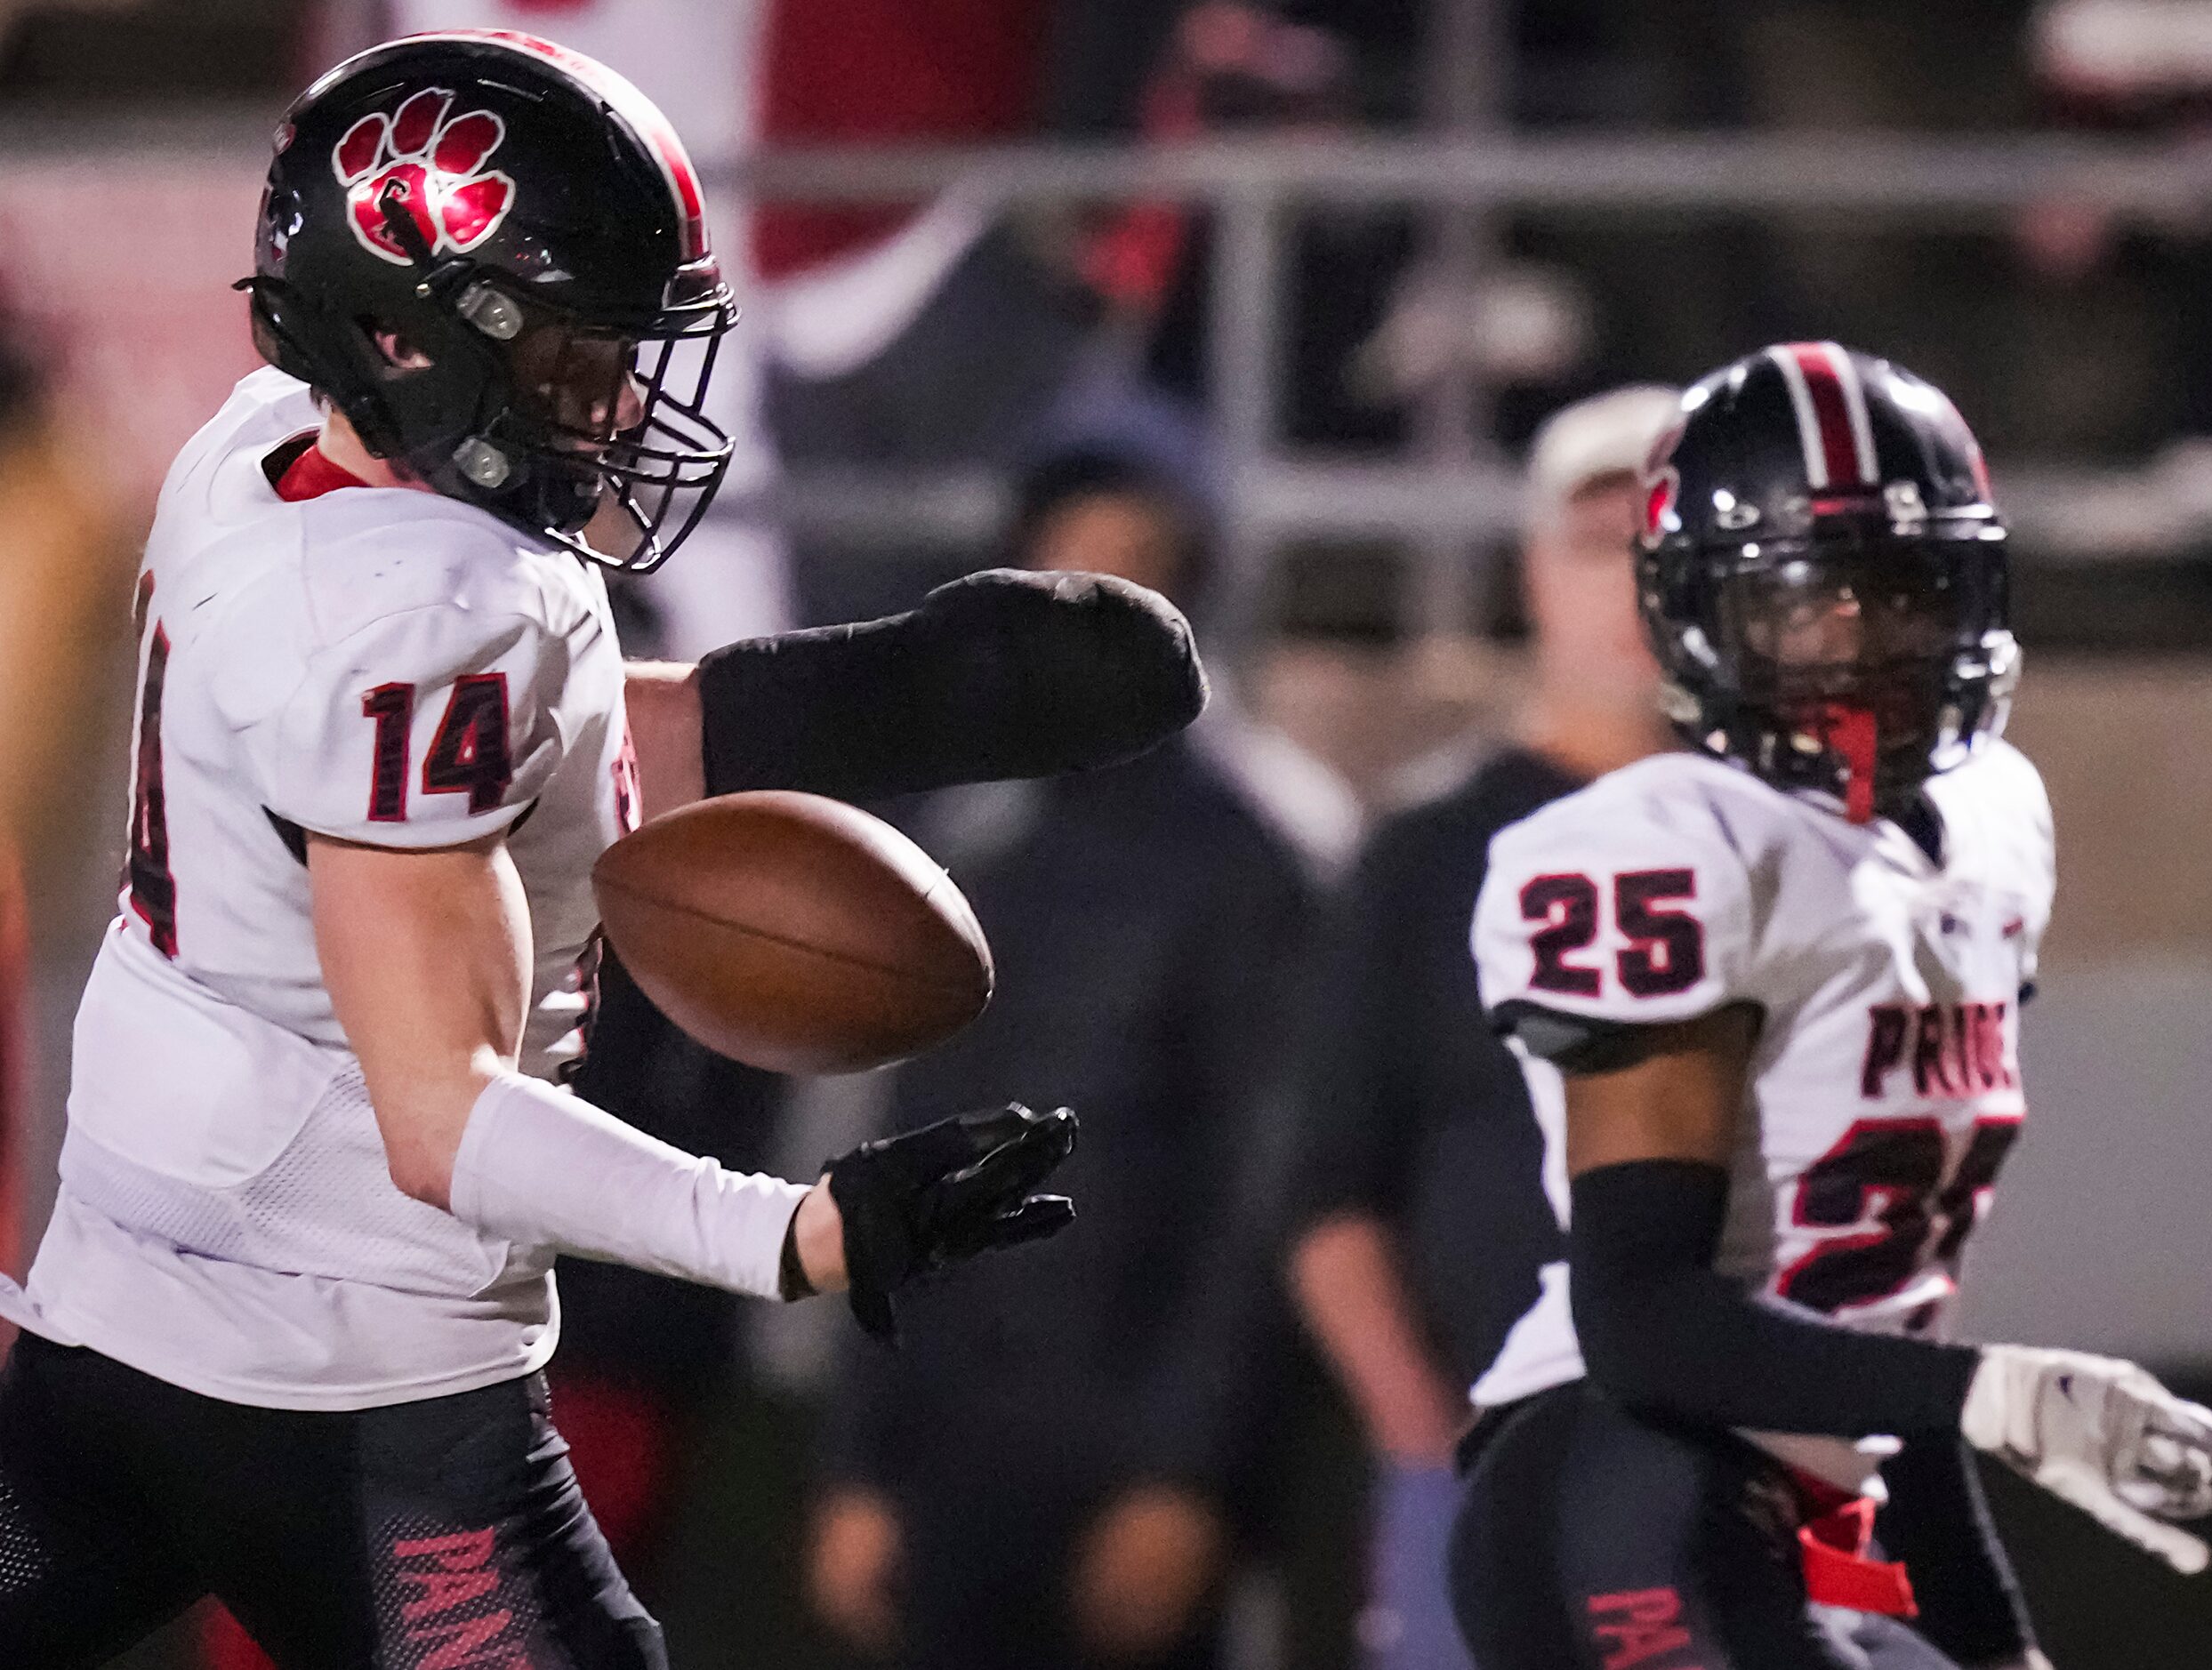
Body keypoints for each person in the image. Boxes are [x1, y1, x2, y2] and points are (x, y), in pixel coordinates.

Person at [0, 33, 1210, 1669]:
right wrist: (795, 1232)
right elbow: (444, 1117)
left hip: (117, 1319)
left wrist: (895, 699)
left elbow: (511, 756)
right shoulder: (426, 618)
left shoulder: (268, 449)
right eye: (577, 355)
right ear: (410, 341)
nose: (623, 402)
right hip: (345, 1388)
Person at [1446, 344, 2212, 1670]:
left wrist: (1994, 1635)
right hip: (1628, 1476)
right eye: (1804, 601)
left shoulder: (1993, 826)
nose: (1861, 640)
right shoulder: (1668, 842)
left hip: (1837, 1500)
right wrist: (2002, 1394)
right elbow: (1643, 1316)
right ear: (1705, 615)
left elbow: (1884, 1312)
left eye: (1900, 589)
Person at [809, 446, 1356, 1670]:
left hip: (1131, 1469)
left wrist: (1191, 1476)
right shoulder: (964, 847)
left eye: (1135, 581)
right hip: (953, 1457)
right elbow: (893, 1163)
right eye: (1065, 582)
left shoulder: (1256, 863)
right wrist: (861, 1459)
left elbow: (1260, 1197)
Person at [1283, 384, 1680, 1670]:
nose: (1632, 581)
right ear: (1534, 570)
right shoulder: (1428, 854)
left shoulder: (1799, 853)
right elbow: (1328, 1190)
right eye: (1596, 541)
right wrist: (1426, 1439)